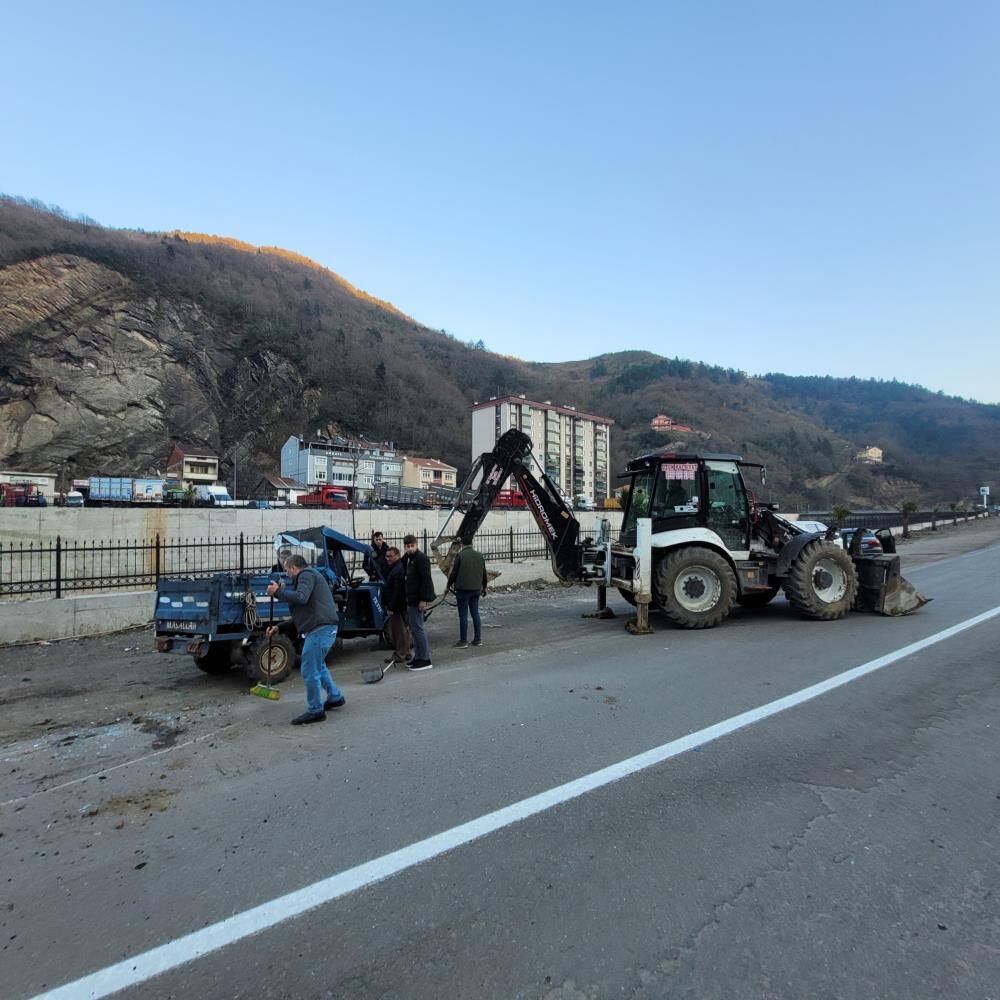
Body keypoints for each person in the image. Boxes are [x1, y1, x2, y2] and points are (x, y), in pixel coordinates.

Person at [266, 555, 345, 725]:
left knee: (309, 669)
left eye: (287, 569)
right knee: (318, 666)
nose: (286, 573)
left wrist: (278, 593)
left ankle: (315, 710)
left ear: (294, 568)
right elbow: (302, 614)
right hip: (321, 628)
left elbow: (301, 597)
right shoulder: (309, 578)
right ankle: (335, 697)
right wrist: (279, 627)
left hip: (320, 630)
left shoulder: (306, 575)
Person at [447, 537, 487, 648]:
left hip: (463, 590)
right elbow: (484, 573)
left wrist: (448, 585)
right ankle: (477, 639)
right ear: (472, 543)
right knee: (475, 614)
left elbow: (454, 573)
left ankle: (463, 641)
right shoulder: (479, 555)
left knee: (463, 615)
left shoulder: (460, 556)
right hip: (476, 589)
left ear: (461, 544)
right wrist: (484, 587)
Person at [402, 533, 435, 671]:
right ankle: (418, 657)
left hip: (417, 600)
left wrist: (424, 599)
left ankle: (425, 659)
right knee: (414, 630)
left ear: (416, 545)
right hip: (411, 598)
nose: (410, 549)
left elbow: (426, 579)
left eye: (412, 546)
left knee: (418, 629)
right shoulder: (409, 559)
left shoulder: (421, 559)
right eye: (407, 546)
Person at [381, 545, 411, 667]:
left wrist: (391, 607)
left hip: (398, 605)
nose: (387, 558)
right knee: (403, 630)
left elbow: (397, 590)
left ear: (397, 556)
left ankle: (400, 654)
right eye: (386, 556)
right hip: (400, 604)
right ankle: (406, 652)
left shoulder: (397, 569)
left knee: (399, 631)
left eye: (390, 556)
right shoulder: (396, 567)